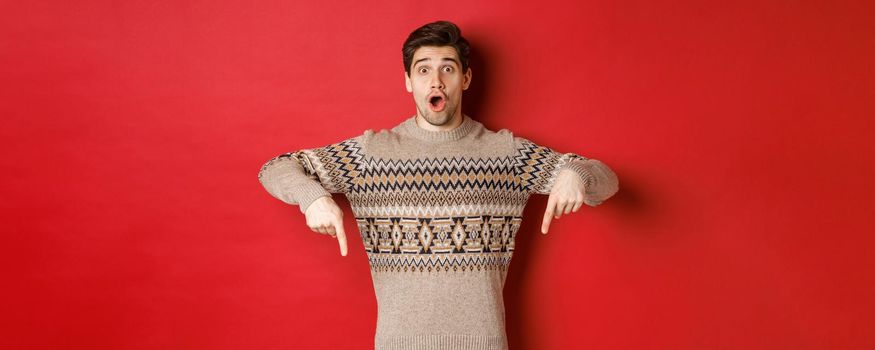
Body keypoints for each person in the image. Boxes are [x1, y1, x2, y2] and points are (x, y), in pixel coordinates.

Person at [257, 20, 619, 350]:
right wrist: (313, 197)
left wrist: (576, 174)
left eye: (448, 68)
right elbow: (275, 168)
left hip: (485, 343)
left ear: (465, 79)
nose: (436, 81)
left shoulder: (503, 152)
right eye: (424, 69)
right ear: (407, 81)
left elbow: (609, 182)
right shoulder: (372, 152)